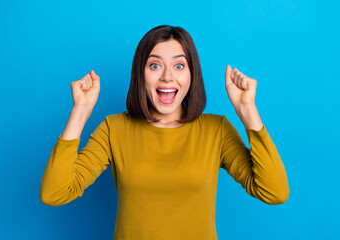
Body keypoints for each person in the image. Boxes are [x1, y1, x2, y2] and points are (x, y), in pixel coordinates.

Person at [40, 25, 289, 239]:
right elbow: (55, 193)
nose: (167, 77)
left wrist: (247, 111)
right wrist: (80, 112)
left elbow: (274, 191)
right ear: (141, 74)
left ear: (192, 75)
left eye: (179, 65)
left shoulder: (216, 130)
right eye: (155, 65)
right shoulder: (114, 129)